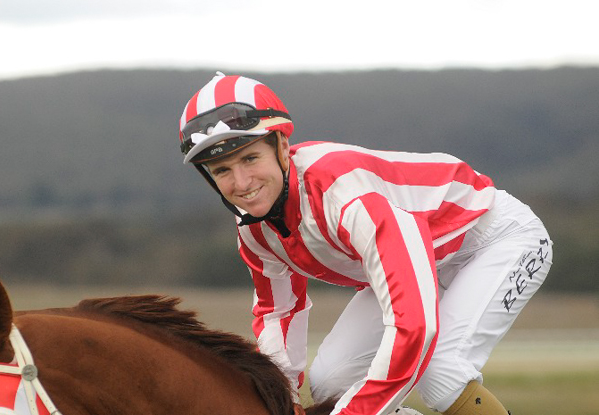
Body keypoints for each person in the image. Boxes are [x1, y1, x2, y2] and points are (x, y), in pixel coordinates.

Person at [178, 72, 553, 415]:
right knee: (332, 382)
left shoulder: (345, 196)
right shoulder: (254, 230)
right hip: (424, 260)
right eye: (222, 170)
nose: (241, 182)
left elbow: (414, 328)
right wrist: (282, 400)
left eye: (249, 158)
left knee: (440, 371)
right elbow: (279, 314)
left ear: (281, 144)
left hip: (495, 238)